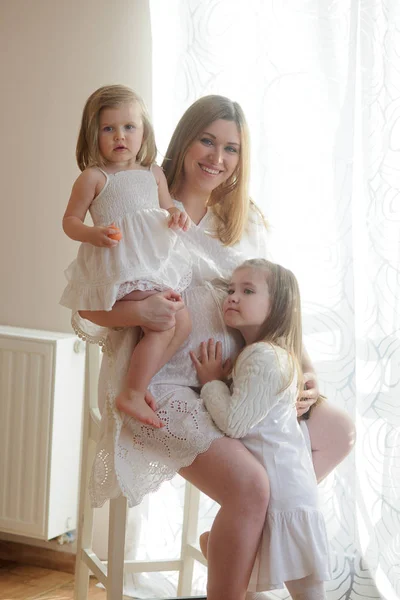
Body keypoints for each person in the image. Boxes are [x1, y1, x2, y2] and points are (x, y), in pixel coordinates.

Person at [76, 95, 355, 600]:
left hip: (237, 384)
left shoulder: (244, 222)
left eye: (232, 148)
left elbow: (276, 309)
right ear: (185, 140)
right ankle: (236, 568)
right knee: (251, 486)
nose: (217, 157)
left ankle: (236, 540)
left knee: (336, 429)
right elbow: (88, 301)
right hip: (160, 385)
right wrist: (140, 313)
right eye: (208, 140)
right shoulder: (139, 200)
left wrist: (303, 369)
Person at [190, 258, 332, 600]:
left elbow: (234, 424)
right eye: (231, 290)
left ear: (277, 307)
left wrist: (210, 383)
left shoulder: (264, 358)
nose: (233, 297)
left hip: (284, 501)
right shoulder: (271, 355)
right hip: (288, 496)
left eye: (247, 291)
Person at [60, 85, 192, 428]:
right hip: (122, 263)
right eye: (109, 128)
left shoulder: (153, 174)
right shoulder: (94, 177)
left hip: (154, 263)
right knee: (162, 322)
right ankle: (132, 391)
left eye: (129, 127)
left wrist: (178, 215)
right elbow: (70, 221)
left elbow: (167, 208)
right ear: (94, 135)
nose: (120, 136)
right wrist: (92, 233)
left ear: (143, 132)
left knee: (183, 323)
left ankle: (140, 383)